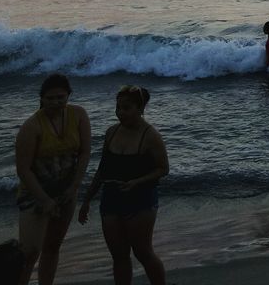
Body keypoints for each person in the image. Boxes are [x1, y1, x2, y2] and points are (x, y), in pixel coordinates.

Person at [78, 85, 169, 285]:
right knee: (119, 255)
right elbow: (102, 170)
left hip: (140, 199)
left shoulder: (151, 136)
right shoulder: (111, 132)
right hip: (111, 198)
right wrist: (86, 200)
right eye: (118, 108)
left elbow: (163, 169)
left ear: (140, 108)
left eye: (126, 108)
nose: (120, 113)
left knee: (143, 252)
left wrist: (137, 182)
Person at [14, 74, 92, 285]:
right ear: (42, 99)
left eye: (60, 97)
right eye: (50, 98)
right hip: (34, 194)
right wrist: (45, 200)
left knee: (52, 247)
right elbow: (23, 170)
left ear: (68, 96)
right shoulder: (31, 127)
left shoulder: (79, 115)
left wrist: (75, 186)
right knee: (29, 252)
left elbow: (85, 152)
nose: (56, 102)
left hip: (66, 192)